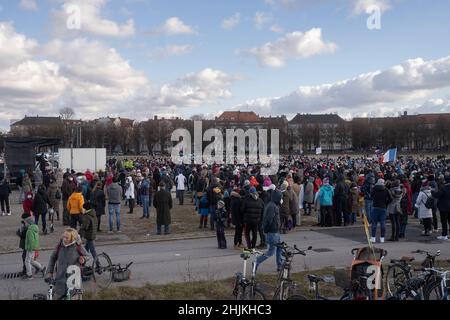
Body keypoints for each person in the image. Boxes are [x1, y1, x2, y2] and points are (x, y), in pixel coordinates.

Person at [46, 228, 88, 300]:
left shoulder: (78, 246)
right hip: (60, 279)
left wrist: (83, 259)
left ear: (72, 238)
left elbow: (87, 256)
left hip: (73, 280)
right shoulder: (60, 246)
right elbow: (52, 258)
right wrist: (50, 272)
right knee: (58, 295)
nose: (64, 239)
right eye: (64, 237)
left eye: (67, 237)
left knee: (73, 297)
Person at [256, 190, 283, 272]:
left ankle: (280, 265)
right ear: (277, 198)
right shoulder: (272, 206)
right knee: (271, 252)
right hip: (272, 233)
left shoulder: (273, 205)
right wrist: (267, 230)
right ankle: (256, 261)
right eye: (280, 198)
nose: (281, 199)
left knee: (280, 248)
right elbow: (268, 220)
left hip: (276, 232)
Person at [23, 216, 46, 280]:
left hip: (30, 248)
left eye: (26, 223)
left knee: (27, 261)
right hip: (34, 247)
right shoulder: (35, 229)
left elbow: (31, 240)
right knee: (32, 261)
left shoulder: (29, 231)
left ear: (29, 223)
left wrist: (29, 248)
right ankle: (41, 268)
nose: (25, 224)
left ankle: (29, 275)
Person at [370, 179, 393, 243]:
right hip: (383, 208)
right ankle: (382, 238)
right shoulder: (386, 190)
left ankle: (373, 238)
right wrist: (386, 203)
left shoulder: (374, 189)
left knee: (374, 223)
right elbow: (391, 199)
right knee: (383, 223)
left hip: (375, 207)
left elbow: (371, 196)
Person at [432, 176, 450, 240]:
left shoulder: (444, 188)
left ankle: (444, 235)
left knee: (444, 221)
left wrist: (432, 191)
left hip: (444, 207)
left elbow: (436, 195)